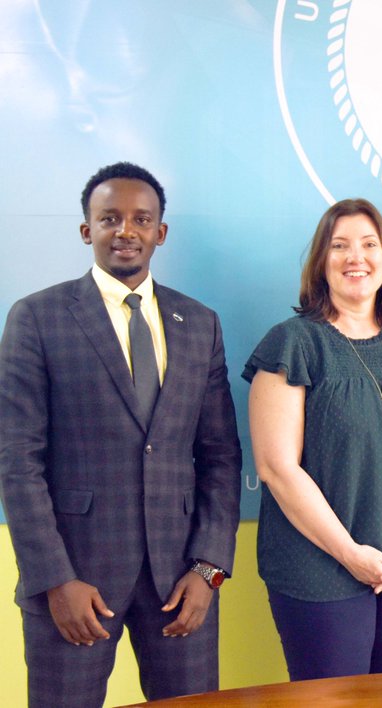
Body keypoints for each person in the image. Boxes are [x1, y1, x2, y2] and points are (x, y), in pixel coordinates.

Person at [0, 162, 242, 706]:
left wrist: (208, 570)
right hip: (76, 582)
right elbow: (17, 460)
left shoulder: (199, 322)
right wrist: (54, 578)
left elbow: (221, 456)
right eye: (109, 218)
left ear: (161, 232)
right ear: (87, 230)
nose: (125, 231)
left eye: (141, 219)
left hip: (182, 583)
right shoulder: (38, 318)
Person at [243, 198, 382, 680]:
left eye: (368, 244)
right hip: (319, 571)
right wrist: (349, 553)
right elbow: (277, 467)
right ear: (321, 262)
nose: (355, 257)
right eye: (339, 246)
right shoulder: (293, 343)